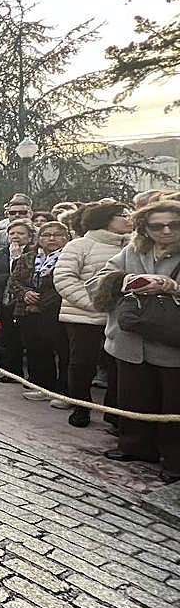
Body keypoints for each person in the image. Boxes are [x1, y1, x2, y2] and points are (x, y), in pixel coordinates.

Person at [92, 198, 180, 482]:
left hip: (171, 343)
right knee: (134, 397)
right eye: (157, 226)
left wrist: (173, 288)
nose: (166, 231)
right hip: (130, 341)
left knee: (173, 406)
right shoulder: (132, 250)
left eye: (174, 225)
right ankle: (135, 445)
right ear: (144, 227)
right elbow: (97, 281)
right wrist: (128, 281)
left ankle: (175, 458)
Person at [54, 201, 131, 428]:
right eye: (122, 215)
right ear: (106, 219)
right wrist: (94, 304)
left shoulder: (132, 247)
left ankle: (113, 410)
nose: (129, 219)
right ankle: (81, 407)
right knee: (82, 363)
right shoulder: (80, 245)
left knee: (118, 364)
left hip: (120, 318)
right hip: (83, 316)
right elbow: (65, 278)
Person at [9, 220, 72, 399]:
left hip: (57, 312)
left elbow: (63, 285)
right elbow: (14, 281)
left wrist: (40, 303)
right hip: (27, 311)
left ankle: (65, 390)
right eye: (46, 234)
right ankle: (43, 386)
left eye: (57, 234)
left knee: (63, 351)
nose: (51, 238)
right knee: (36, 350)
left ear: (66, 238)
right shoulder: (29, 257)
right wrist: (25, 293)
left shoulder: (68, 256)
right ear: (39, 238)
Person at [0, 219, 34, 382]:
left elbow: (28, 277)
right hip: (4, 301)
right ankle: (13, 372)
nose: (16, 236)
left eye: (20, 233)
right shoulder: (1, 253)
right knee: (9, 338)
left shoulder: (33, 253)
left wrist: (18, 259)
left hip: (25, 302)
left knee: (29, 339)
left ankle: (35, 378)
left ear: (29, 236)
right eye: (12, 233)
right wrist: (8, 278)